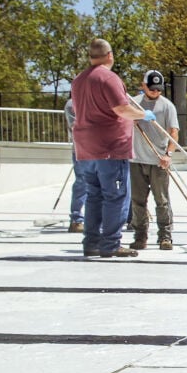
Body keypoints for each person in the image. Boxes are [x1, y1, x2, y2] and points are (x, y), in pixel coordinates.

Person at [70, 38, 158, 258]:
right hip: (109, 146)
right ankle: (110, 243)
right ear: (110, 55)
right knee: (116, 196)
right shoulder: (108, 78)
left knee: (94, 195)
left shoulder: (78, 81)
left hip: (86, 147)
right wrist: (142, 114)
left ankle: (91, 242)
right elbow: (121, 108)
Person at [129, 70, 180, 251]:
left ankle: (165, 236)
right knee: (138, 201)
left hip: (158, 161)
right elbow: (119, 120)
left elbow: (173, 132)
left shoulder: (167, 106)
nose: (155, 92)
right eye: (151, 89)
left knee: (162, 201)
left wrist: (168, 154)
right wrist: (130, 120)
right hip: (136, 160)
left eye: (158, 89)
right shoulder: (133, 103)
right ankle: (140, 236)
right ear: (143, 86)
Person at [62, 94, 87, 232]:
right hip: (81, 149)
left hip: (99, 148)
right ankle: (76, 219)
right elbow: (76, 126)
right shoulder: (72, 104)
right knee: (82, 183)